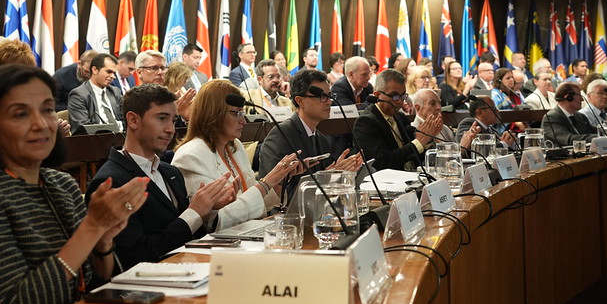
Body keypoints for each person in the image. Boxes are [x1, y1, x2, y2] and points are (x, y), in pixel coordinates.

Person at [0, 65, 149, 304]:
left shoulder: (60, 184)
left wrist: (103, 240)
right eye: (21, 114)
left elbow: (98, 282)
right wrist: (92, 228)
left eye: (47, 109)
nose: (41, 124)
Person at [86, 84, 235, 269]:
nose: (171, 129)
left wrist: (207, 211)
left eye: (173, 120)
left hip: (189, 272)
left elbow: (188, 237)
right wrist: (194, 212)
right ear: (133, 120)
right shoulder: (111, 181)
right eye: (162, 118)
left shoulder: (171, 172)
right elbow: (134, 257)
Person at [172, 80, 302, 230]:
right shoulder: (191, 155)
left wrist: (279, 183)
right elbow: (214, 221)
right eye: (235, 113)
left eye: (242, 113)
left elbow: (252, 204)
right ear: (213, 113)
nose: (243, 121)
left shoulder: (235, 147)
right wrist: (267, 182)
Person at [258, 70, 362, 198]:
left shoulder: (321, 138)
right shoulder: (281, 136)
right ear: (300, 101)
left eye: (330, 96)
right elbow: (273, 195)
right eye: (322, 96)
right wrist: (329, 177)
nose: (329, 101)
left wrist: (339, 175)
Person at [353, 69, 442, 171]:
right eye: (394, 96)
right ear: (377, 95)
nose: (400, 101)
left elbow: (414, 157)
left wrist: (427, 139)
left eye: (403, 95)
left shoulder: (401, 117)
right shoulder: (366, 122)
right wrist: (418, 143)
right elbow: (381, 162)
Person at [68, 53, 123, 133]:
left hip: (119, 140)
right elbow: (83, 128)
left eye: (114, 73)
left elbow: (125, 120)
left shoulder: (115, 91)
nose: (113, 76)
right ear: (95, 70)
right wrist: (110, 129)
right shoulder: (78, 95)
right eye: (109, 72)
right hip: (93, 142)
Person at [542, 82, 595, 147]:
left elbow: (594, 131)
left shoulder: (581, 116)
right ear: (568, 97)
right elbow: (569, 140)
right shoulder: (551, 118)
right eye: (579, 95)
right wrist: (599, 137)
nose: (582, 99)